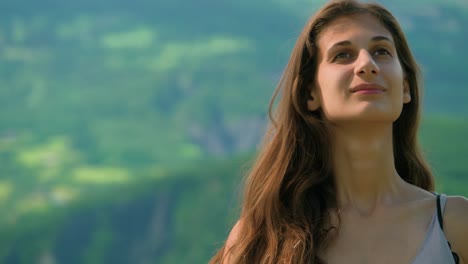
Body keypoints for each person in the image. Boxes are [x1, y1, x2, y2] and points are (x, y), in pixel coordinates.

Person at [210, 0, 468, 263]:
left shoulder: (456, 225)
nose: (367, 65)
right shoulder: (262, 240)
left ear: (405, 87)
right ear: (310, 93)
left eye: (381, 51)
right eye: (343, 54)